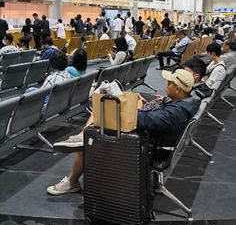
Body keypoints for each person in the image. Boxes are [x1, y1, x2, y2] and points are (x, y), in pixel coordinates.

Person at [46, 69, 199, 195]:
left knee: (91, 136)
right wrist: (162, 101)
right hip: (147, 137)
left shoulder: (174, 113)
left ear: (178, 89)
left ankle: (72, 180)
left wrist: (130, 108)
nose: (166, 85)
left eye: (170, 83)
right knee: (106, 108)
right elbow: (159, 117)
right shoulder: (185, 104)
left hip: (143, 147)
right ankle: (82, 136)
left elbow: (149, 120)